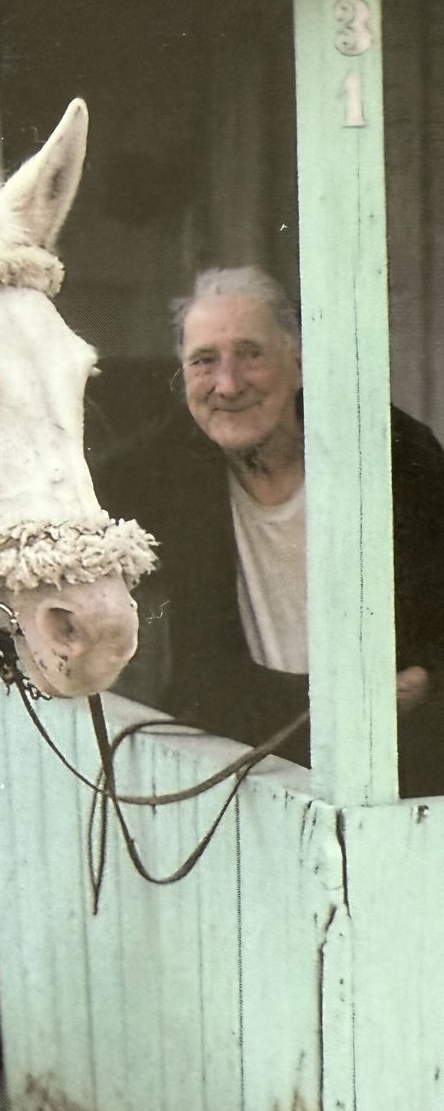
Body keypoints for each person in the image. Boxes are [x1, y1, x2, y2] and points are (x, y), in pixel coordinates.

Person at [94, 266, 444, 795]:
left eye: (251, 354)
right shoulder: (165, 466)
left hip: (399, 769)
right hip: (243, 772)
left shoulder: (392, 451)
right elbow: (59, 531)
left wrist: (431, 681)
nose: (228, 384)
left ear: (298, 363)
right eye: (203, 361)